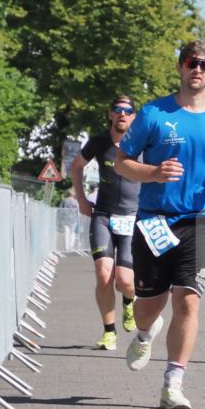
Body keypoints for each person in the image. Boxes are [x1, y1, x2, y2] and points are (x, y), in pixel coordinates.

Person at [114, 40, 205, 409]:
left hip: (201, 219)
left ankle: (172, 383)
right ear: (180, 67)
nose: (197, 69)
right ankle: (144, 333)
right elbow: (122, 162)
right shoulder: (154, 113)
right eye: (191, 62)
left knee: (187, 299)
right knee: (149, 305)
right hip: (154, 219)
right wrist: (154, 172)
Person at [71, 96, 141, 351]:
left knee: (125, 281)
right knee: (103, 275)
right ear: (110, 114)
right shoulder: (99, 142)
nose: (122, 114)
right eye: (117, 109)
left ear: (133, 116)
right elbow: (76, 166)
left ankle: (129, 301)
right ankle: (109, 331)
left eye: (128, 110)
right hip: (103, 216)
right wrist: (81, 199)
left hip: (132, 218)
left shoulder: (142, 143)